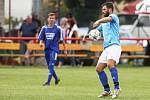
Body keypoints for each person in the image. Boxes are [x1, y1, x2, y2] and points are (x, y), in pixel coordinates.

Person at [93, 2, 122, 99]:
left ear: (110, 10)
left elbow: (107, 19)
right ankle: (107, 90)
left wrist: (98, 21)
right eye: (102, 9)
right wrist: (89, 34)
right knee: (98, 69)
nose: (103, 11)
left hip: (114, 46)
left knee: (110, 64)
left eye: (104, 9)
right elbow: (96, 31)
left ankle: (117, 88)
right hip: (106, 48)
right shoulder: (103, 24)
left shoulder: (113, 17)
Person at [38, 12, 67, 86]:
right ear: (48, 19)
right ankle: (56, 78)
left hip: (54, 49)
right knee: (49, 66)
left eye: (53, 18)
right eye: (50, 18)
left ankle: (48, 82)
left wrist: (65, 49)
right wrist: (41, 43)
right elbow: (41, 37)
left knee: (51, 65)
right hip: (47, 49)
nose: (51, 19)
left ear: (55, 20)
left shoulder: (58, 29)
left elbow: (62, 40)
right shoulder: (44, 28)